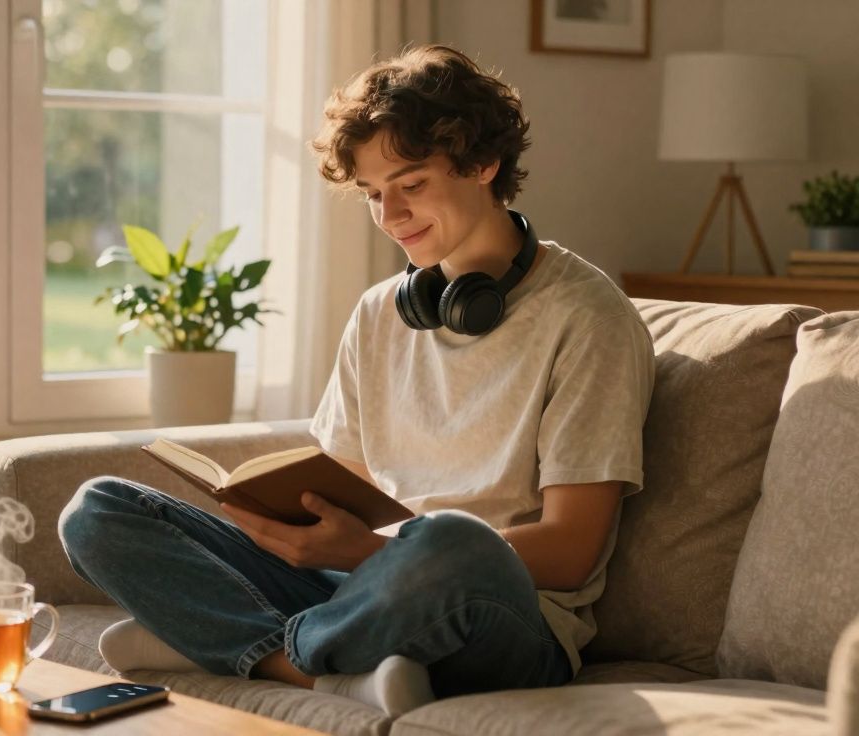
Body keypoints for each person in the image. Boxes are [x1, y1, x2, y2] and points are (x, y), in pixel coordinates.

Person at [57, 45, 655, 715]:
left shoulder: (589, 316)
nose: (390, 215)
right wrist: (294, 525)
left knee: (453, 542)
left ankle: (227, 641)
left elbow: (572, 550)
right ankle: (311, 667)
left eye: (412, 183)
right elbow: (344, 482)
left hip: (494, 611)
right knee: (99, 511)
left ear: (482, 165)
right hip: (354, 589)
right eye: (374, 193)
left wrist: (373, 551)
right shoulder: (381, 312)